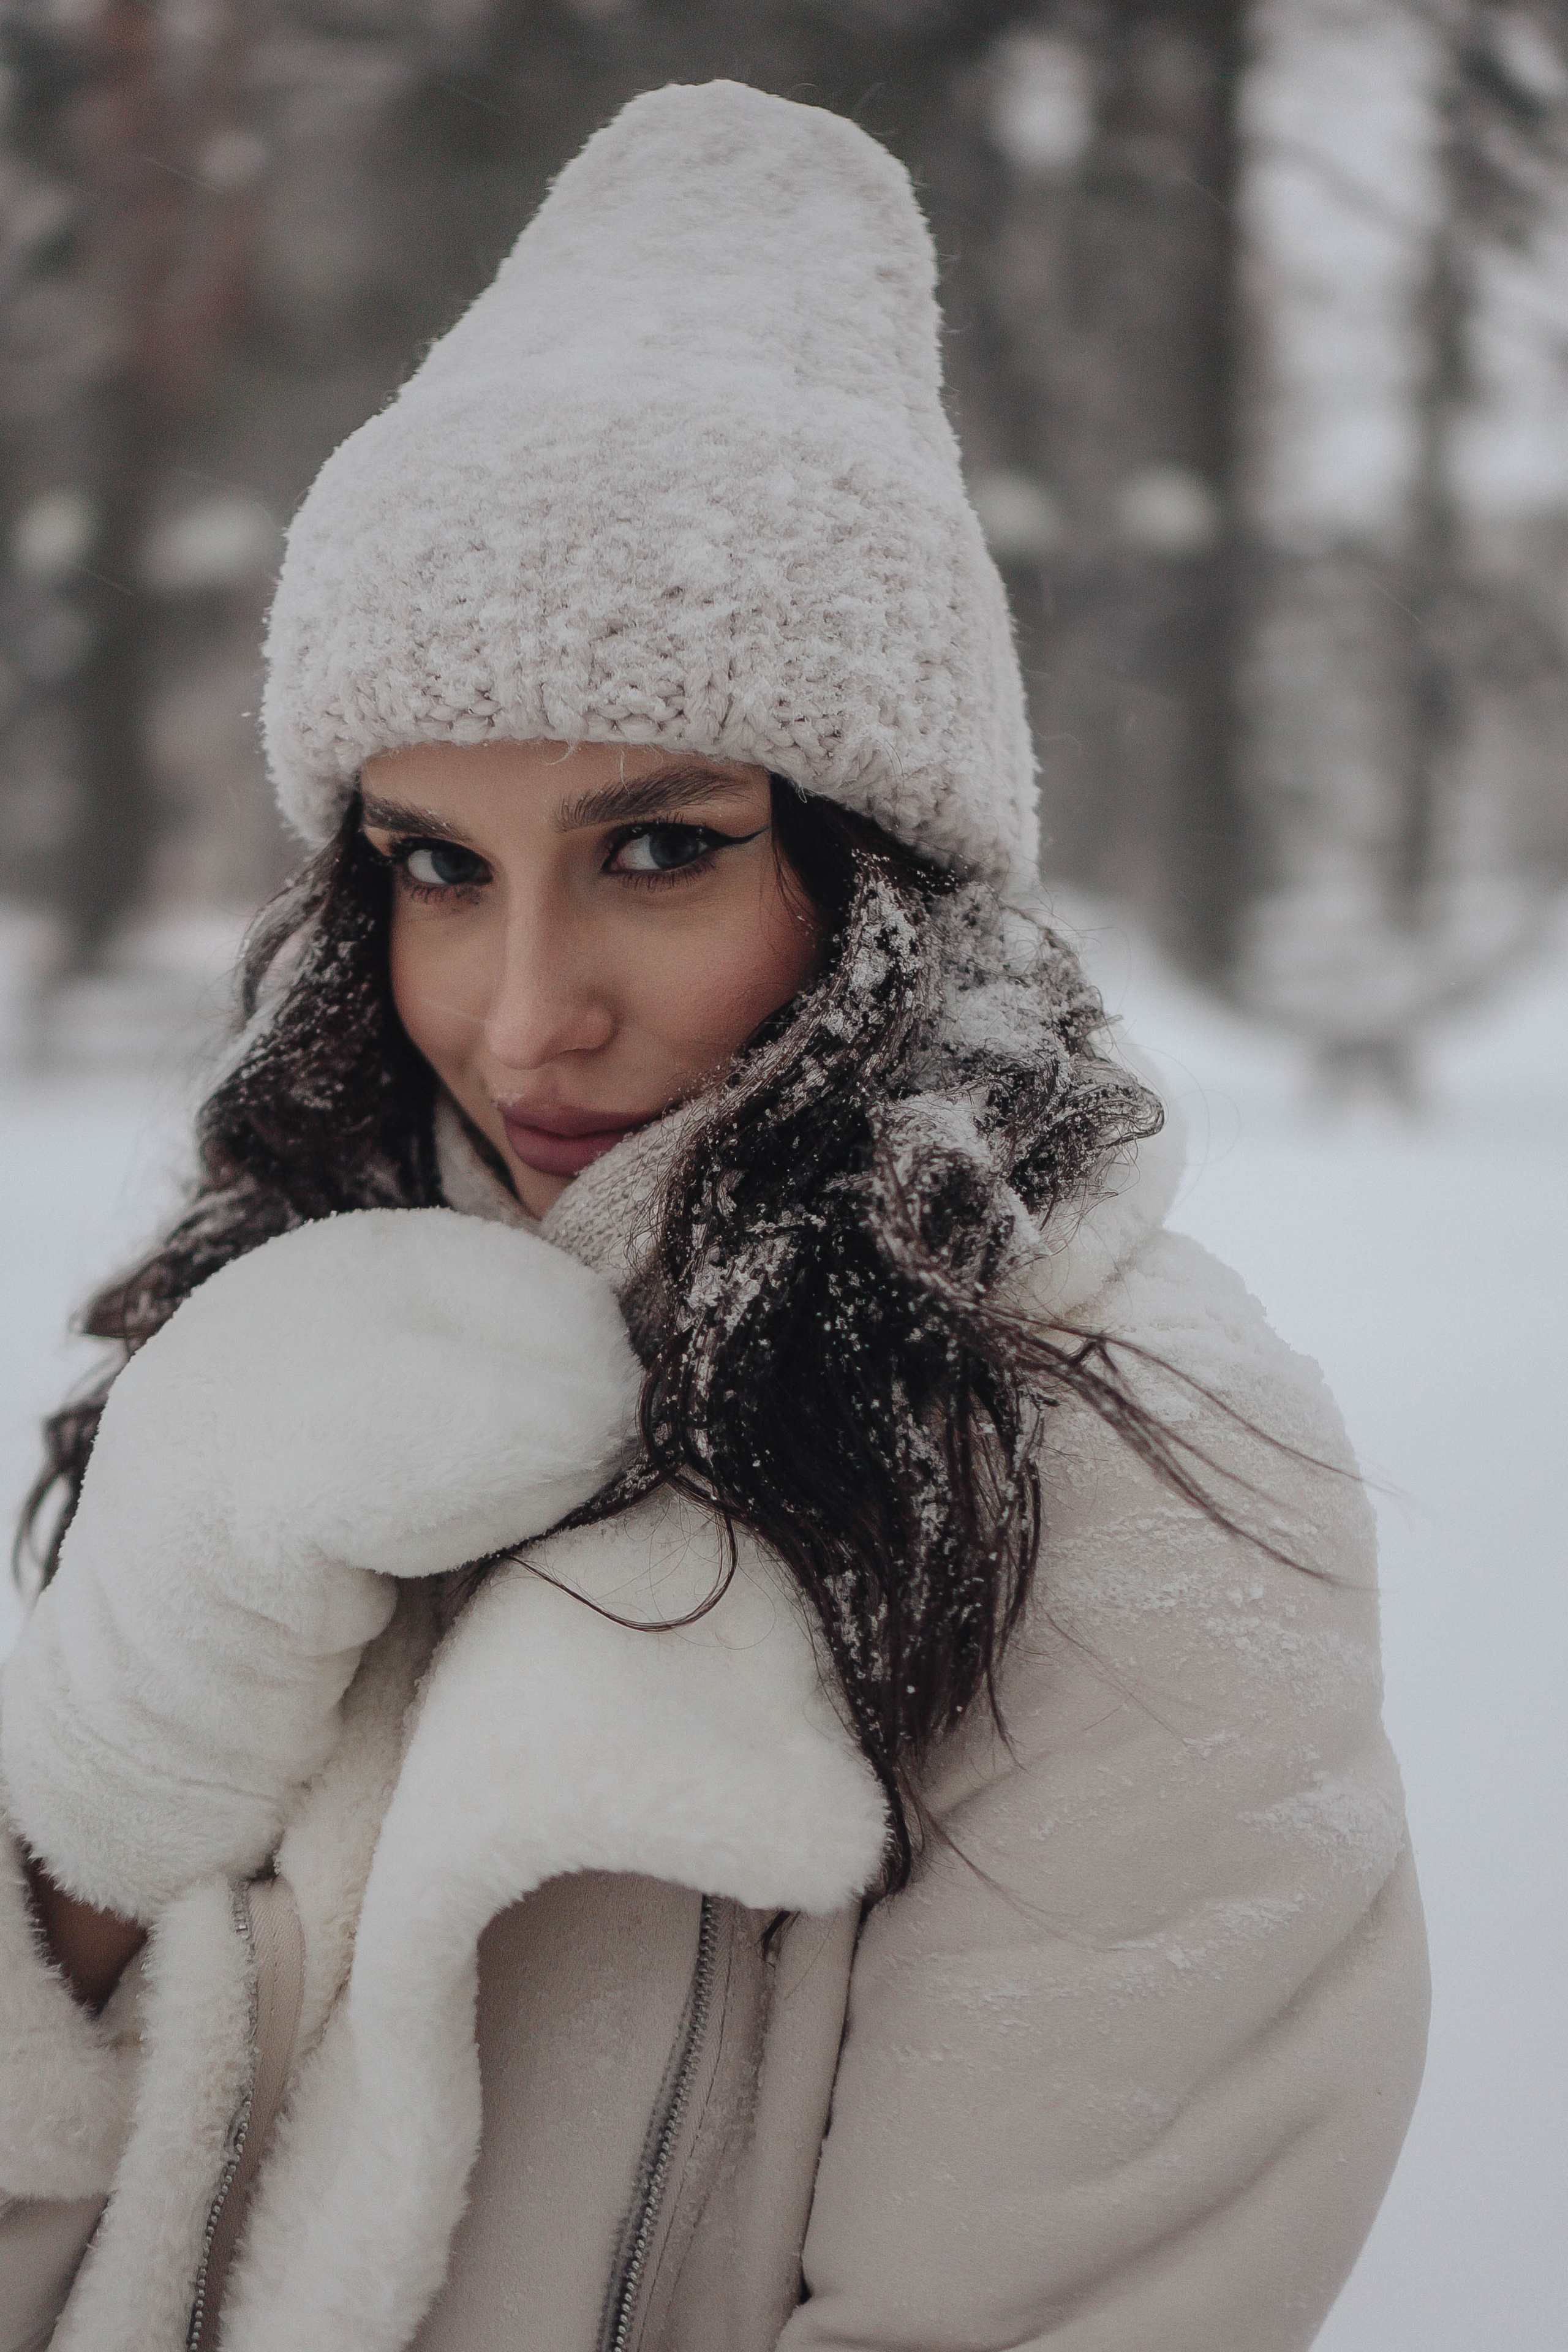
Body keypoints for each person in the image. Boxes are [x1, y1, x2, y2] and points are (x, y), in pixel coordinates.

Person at [0, 81, 1427, 2352]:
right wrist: (106, 1782)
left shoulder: (1123, 1475)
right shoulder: (280, 1340)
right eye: (433, 867)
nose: (524, 1013)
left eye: (660, 848)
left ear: (876, 878)